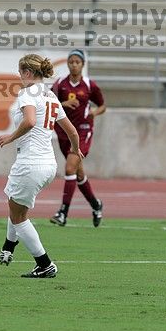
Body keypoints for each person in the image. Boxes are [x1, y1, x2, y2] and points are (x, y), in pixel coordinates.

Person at [0, 54, 83, 278]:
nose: (19, 76)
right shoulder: (51, 95)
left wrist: (10, 137)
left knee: (18, 215)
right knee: (16, 208)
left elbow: (30, 121)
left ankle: (45, 264)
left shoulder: (27, 93)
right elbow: (71, 130)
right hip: (48, 164)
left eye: (20, 72)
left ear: (27, 73)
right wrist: (75, 150)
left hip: (30, 162)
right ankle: (8, 247)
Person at [49, 49, 106, 228]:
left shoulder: (89, 85)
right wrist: (63, 103)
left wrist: (94, 113)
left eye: (77, 62)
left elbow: (102, 105)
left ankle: (63, 212)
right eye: (71, 61)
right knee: (78, 174)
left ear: (82, 64)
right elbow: (48, 103)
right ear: (67, 64)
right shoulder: (60, 84)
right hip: (64, 133)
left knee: (69, 167)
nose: (74, 64)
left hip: (82, 132)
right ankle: (96, 206)